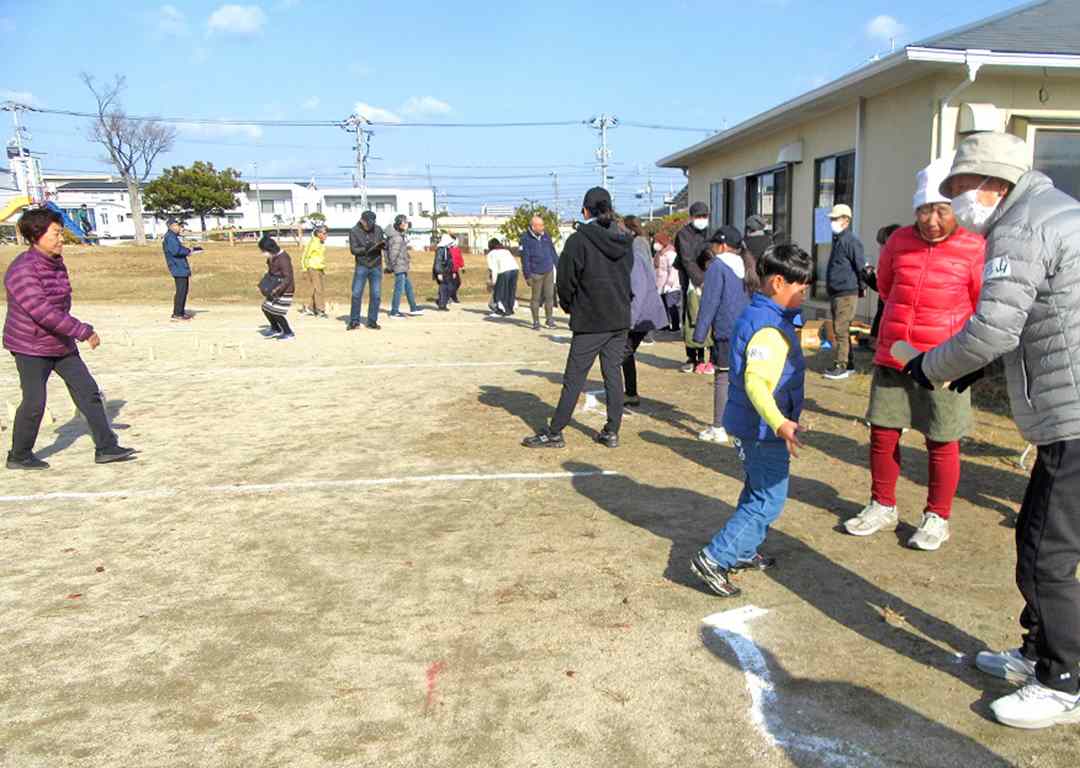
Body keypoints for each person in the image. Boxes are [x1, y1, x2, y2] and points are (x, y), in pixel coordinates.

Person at [903, 132, 1080, 729]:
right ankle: (1037, 651)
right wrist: (976, 369)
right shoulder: (1053, 211)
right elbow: (1035, 318)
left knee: (1046, 553)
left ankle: (1062, 680)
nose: (955, 202)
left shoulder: (1021, 226)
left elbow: (994, 328)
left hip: (1073, 413)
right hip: (1066, 407)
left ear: (991, 183)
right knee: (1036, 536)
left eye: (959, 188)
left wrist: (930, 366)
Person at [843, 158, 984, 551]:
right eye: (924, 210)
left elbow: (981, 304)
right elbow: (888, 288)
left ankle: (937, 516)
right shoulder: (898, 241)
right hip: (896, 354)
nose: (931, 220)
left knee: (942, 439)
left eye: (941, 210)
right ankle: (882, 505)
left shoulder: (975, 247)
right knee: (883, 432)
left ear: (957, 208)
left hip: (945, 361)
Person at [689, 244, 812, 597]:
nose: (805, 295)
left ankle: (742, 549)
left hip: (751, 425)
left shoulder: (762, 313)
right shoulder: (768, 329)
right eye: (801, 288)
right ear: (778, 283)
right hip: (760, 430)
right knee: (768, 499)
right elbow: (756, 383)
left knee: (757, 490)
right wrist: (780, 423)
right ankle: (715, 558)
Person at [4, 208, 136, 469]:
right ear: (36, 235)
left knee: (88, 392)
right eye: (55, 234)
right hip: (30, 345)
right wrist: (82, 331)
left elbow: (59, 305)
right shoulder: (22, 270)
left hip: (59, 342)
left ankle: (106, 447)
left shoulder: (55, 262)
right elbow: (42, 311)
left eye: (61, 233)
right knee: (34, 402)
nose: (61, 239)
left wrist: (70, 332)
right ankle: (19, 455)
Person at [522, 188, 632, 449]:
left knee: (574, 378)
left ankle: (555, 431)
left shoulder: (578, 240)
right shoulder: (623, 238)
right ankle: (612, 431)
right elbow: (628, 272)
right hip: (619, 316)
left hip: (591, 319)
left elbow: (566, 280)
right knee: (613, 374)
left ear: (585, 211)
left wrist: (570, 305)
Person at [694, 225, 758, 444]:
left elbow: (709, 302)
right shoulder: (747, 263)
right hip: (748, 328)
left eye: (714, 244)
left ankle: (718, 427)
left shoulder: (717, 266)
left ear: (721, 245)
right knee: (745, 378)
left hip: (726, 329)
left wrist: (699, 334)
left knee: (722, 377)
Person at [621, 216, 668, 408]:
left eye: (622, 229)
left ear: (631, 230)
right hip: (643, 311)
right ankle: (630, 393)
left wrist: (630, 320)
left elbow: (638, 289)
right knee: (625, 352)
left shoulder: (636, 249)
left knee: (622, 353)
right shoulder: (640, 245)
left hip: (642, 312)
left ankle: (629, 394)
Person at [823, 203, 867, 380]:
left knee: (840, 329)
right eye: (832, 219)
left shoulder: (851, 241)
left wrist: (862, 287)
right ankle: (848, 364)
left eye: (835, 218)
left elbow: (860, 266)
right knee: (841, 329)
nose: (832, 222)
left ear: (846, 221)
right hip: (838, 291)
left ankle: (841, 366)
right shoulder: (839, 239)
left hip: (846, 292)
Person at [675, 201, 710, 371]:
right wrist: (699, 280)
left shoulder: (710, 232)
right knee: (690, 315)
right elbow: (687, 259)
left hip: (708, 278)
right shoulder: (683, 234)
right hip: (689, 278)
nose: (702, 219)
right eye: (698, 216)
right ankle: (691, 356)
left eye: (704, 216)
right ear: (691, 217)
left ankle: (704, 357)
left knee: (707, 315)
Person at [863, 223, 903, 342]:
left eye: (883, 245)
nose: (880, 249)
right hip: (885, 316)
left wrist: (869, 276)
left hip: (892, 318)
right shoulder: (892, 260)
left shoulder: (898, 262)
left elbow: (884, 288)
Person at [347, 210, 385, 330]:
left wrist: (383, 245)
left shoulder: (378, 229)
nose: (370, 225)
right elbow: (353, 250)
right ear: (362, 220)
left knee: (376, 295)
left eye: (372, 223)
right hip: (362, 265)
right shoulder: (354, 231)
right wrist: (366, 248)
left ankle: (372, 321)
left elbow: (383, 242)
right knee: (356, 293)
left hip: (376, 265)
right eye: (368, 223)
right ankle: (354, 321)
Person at [520, 214, 558, 330]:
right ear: (533, 227)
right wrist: (527, 275)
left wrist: (558, 266)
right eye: (540, 225)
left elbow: (552, 252)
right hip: (535, 272)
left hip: (548, 270)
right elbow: (524, 258)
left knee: (549, 296)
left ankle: (549, 319)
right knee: (536, 298)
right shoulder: (525, 238)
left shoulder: (546, 236)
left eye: (543, 225)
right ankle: (536, 321)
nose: (543, 227)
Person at [163, 217, 200, 322]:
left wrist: (188, 250)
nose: (180, 228)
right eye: (178, 225)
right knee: (181, 291)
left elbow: (177, 249)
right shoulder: (170, 237)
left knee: (183, 290)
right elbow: (176, 251)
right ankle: (177, 314)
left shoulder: (173, 237)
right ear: (172, 226)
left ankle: (180, 312)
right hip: (177, 267)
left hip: (179, 266)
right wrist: (188, 251)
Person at [385, 215, 423, 319]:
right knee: (399, 289)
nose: (407, 224)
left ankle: (413, 308)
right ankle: (394, 312)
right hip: (399, 267)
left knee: (408, 288)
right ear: (399, 224)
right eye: (404, 222)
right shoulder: (397, 237)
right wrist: (391, 267)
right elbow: (393, 254)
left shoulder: (398, 235)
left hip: (402, 266)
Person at [258, 235, 295, 340]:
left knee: (276, 311)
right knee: (265, 308)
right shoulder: (272, 257)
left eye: (264, 250)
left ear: (270, 249)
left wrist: (277, 289)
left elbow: (288, 277)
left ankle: (288, 332)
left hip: (285, 288)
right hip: (274, 286)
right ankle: (275, 328)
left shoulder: (283, 258)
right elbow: (272, 272)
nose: (263, 253)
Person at [653, 232, 681, 331]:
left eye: (657, 241)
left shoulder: (670, 254)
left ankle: (675, 326)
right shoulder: (659, 254)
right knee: (663, 306)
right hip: (661, 284)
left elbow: (673, 269)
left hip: (671, 286)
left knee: (671, 306)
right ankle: (664, 325)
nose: (655, 244)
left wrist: (669, 283)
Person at [300, 224, 328, 318]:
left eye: (326, 233)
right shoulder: (313, 243)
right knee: (318, 289)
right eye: (324, 233)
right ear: (318, 233)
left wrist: (322, 268)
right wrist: (304, 269)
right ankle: (320, 310)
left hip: (319, 268)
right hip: (312, 268)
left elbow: (320, 257)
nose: (326, 235)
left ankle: (310, 308)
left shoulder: (321, 243)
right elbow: (305, 256)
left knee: (317, 289)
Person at [486, 238, 520, 317]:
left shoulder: (491, 254)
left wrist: (493, 282)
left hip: (504, 271)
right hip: (515, 270)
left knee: (501, 292)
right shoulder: (506, 251)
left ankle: (500, 310)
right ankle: (510, 310)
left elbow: (493, 268)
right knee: (511, 291)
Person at [432, 233, 455, 311]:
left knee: (450, 287)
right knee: (444, 288)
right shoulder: (440, 249)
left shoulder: (447, 249)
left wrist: (452, 271)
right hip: (442, 272)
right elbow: (438, 261)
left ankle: (441, 301)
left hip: (447, 271)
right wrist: (439, 273)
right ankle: (442, 305)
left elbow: (449, 261)